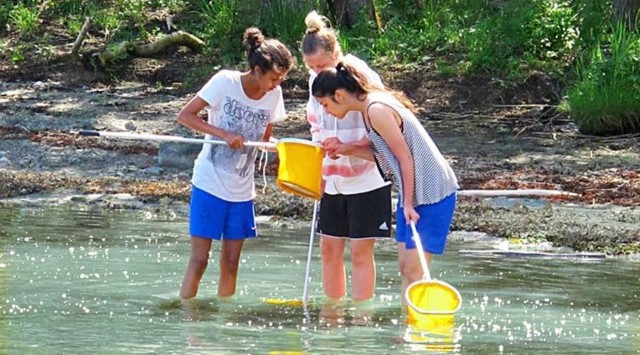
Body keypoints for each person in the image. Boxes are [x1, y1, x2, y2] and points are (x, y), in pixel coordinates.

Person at [311, 62, 459, 303]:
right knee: (406, 269)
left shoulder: (376, 109)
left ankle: (415, 330)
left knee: (413, 270)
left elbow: (404, 157)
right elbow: (383, 151)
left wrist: (408, 204)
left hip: (433, 193)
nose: (325, 111)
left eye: (325, 104)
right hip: (411, 194)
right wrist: (346, 148)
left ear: (339, 95)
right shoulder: (368, 109)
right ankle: (407, 330)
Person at [177, 27, 294, 300]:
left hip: (242, 190)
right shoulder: (225, 82)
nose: (276, 85)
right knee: (200, 260)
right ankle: (186, 318)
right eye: (274, 78)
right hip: (210, 182)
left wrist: (280, 148)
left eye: (281, 79)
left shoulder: (274, 96)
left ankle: (225, 325)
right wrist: (224, 134)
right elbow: (186, 115)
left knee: (231, 264)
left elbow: (264, 137)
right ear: (256, 69)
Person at [301, 10, 392, 303]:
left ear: (335, 53)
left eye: (322, 65)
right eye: (311, 66)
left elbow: (381, 114)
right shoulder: (314, 79)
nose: (317, 71)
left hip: (366, 175)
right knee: (329, 248)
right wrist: (320, 149)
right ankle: (333, 313)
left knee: (361, 250)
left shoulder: (356, 71)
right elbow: (315, 122)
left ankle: (361, 314)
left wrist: (351, 145)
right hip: (332, 177)